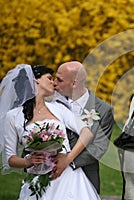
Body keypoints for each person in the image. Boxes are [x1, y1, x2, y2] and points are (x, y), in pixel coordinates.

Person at [0, 64, 100, 199]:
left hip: (68, 178)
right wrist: (28, 161)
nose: (53, 83)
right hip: (37, 180)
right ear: (35, 81)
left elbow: (86, 132)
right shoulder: (13, 116)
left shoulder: (59, 108)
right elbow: (10, 158)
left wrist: (68, 158)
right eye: (49, 78)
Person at [53, 61, 114, 194]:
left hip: (85, 175)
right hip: (52, 173)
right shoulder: (52, 103)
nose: (54, 83)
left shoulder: (103, 110)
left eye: (59, 79)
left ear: (74, 83)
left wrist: (69, 162)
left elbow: (99, 148)